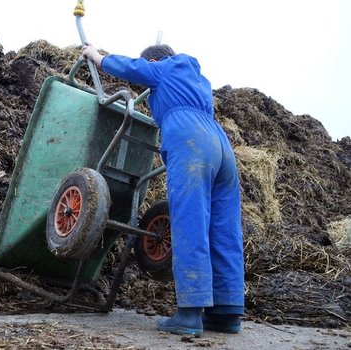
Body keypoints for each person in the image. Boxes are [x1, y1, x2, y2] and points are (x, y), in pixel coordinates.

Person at [82, 43, 245, 336]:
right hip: (220, 145)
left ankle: (190, 314)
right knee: (223, 228)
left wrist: (98, 56)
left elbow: (134, 68)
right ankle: (227, 313)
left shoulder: (167, 66)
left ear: (156, 60)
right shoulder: (197, 80)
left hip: (190, 140)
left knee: (189, 220)